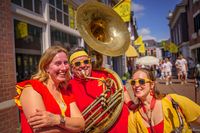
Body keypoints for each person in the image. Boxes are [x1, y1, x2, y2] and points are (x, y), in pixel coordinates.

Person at [14, 46, 85, 133]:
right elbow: (41, 130)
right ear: (46, 67)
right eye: (58, 63)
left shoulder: (64, 91)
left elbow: (81, 124)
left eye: (66, 63)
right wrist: (72, 128)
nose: (64, 68)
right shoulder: (32, 88)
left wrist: (57, 119)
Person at [67, 47, 135, 133]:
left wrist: (131, 105)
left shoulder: (104, 74)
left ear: (90, 62)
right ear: (72, 68)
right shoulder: (69, 87)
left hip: (123, 125)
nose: (83, 65)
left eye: (86, 61)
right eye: (77, 64)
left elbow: (122, 90)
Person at [128, 68, 200, 133]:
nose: (136, 85)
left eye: (141, 81)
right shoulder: (133, 117)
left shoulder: (173, 100)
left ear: (152, 85)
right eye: (133, 82)